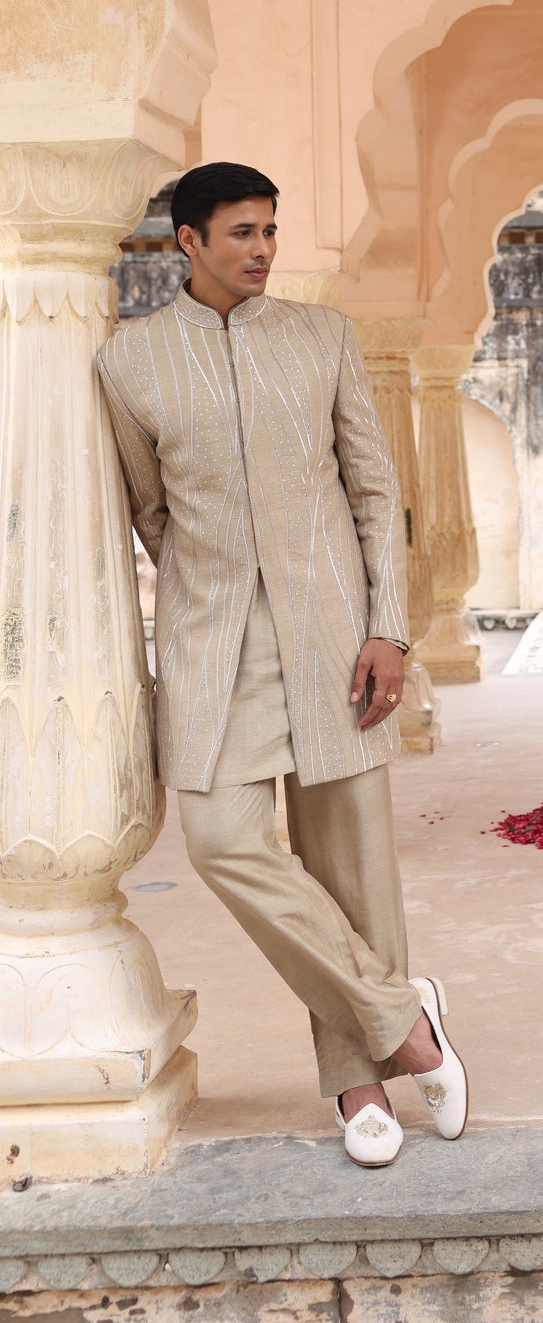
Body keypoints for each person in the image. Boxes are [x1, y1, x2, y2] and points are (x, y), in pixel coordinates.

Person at [97, 161, 468, 1169]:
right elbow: (148, 507)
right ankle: (402, 1016)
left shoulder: (322, 337)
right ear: (188, 241)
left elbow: (373, 490)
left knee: (352, 865)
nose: (262, 248)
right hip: (212, 639)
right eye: (241, 232)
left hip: (334, 636)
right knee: (222, 839)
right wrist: (211, 583)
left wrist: (389, 628)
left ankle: (357, 1083)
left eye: (269, 229)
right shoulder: (132, 361)